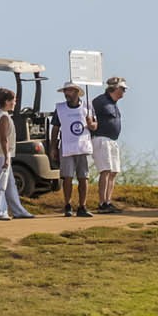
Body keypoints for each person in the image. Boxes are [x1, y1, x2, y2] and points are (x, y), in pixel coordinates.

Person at [0, 87, 33, 221]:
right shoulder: (3, 116)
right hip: (1, 154)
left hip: (1, 153)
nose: (15, 103)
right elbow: (4, 139)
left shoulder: (2, 114)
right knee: (0, 184)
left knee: (10, 184)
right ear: (7, 101)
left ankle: (18, 210)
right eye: (13, 100)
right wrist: (7, 157)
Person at [53, 81, 97, 217]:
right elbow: (55, 128)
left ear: (77, 92)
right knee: (67, 177)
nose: (67, 93)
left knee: (83, 177)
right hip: (66, 146)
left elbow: (95, 126)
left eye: (70, 91)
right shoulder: (60, 108)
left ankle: (82, 206)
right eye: (66, 91)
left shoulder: (87, 107)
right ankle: (67, 205)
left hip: (83, 146)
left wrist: (91, 124)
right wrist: (53, 147)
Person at [91, 76, 127, 213]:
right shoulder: (100, 101)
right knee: (105, 170)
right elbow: (90, 115)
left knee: (113, 172)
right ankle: (102, 203)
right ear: (115, 88)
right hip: (101, 139)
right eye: (122, 88)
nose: (124, 91)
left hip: (112, 140)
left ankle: (108, 201)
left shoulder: (113, 103)